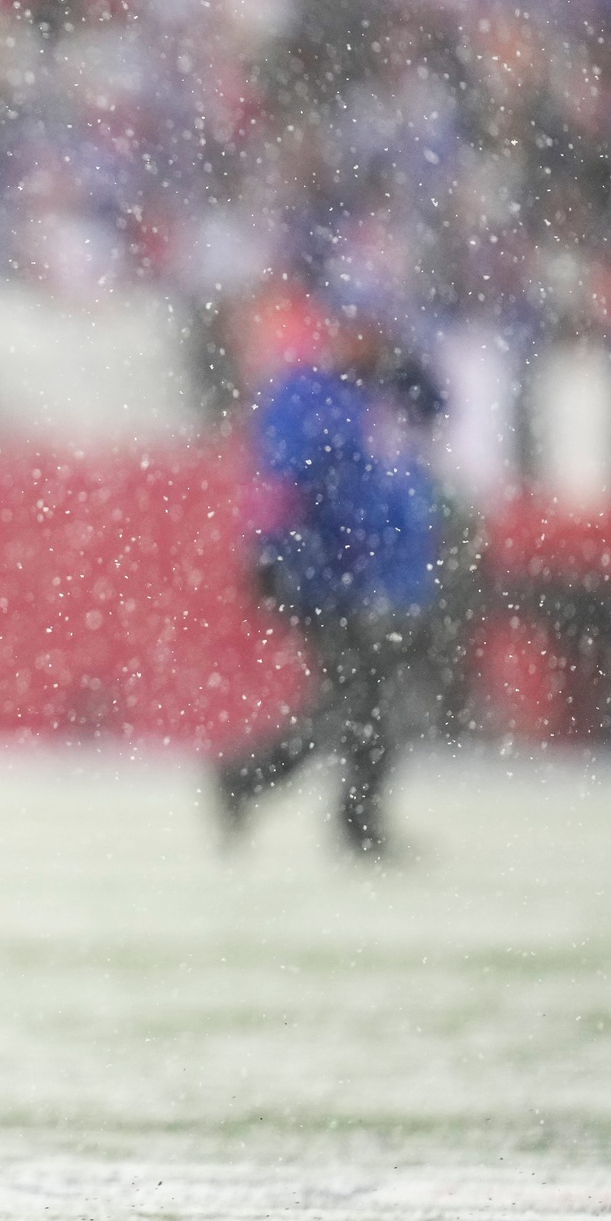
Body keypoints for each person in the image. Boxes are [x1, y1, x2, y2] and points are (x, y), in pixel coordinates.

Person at [216, 314, 445, 856]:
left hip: (376, 573)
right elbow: (280, 476)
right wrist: (270, 550)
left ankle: (265, 784)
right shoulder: (309, 394)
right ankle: (279, 788)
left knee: (361, 700)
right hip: (324, 574)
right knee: (358, 699)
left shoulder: (381, 393)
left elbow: (437, 413)